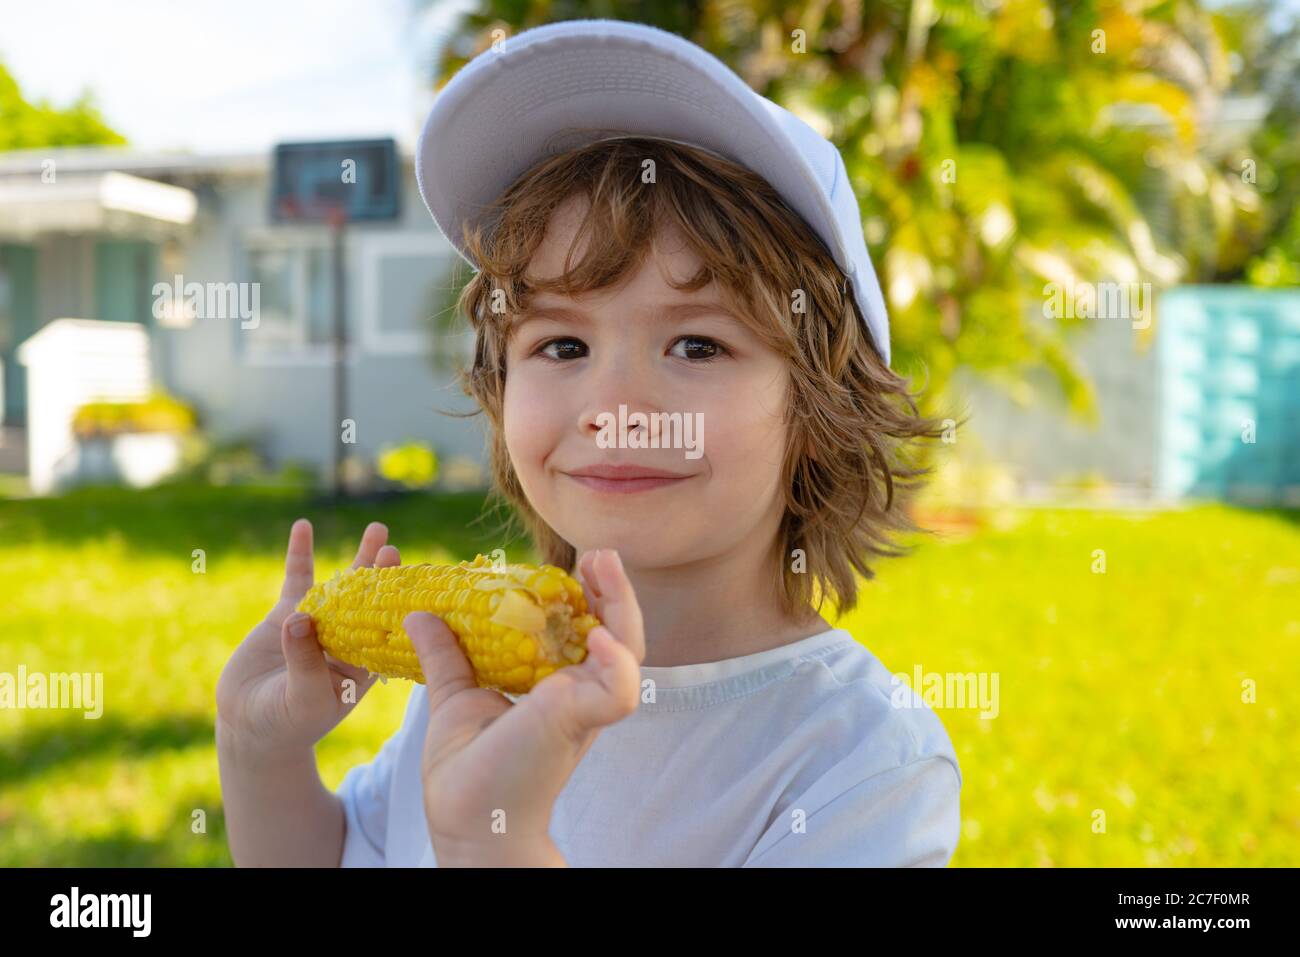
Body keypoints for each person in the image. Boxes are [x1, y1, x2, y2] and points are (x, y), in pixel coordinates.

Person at [216, 18, 961, 867]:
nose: (613, 407)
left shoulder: (861, 764)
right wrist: (258, 750)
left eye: (697, 345)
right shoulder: (469, 680)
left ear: (822, 412)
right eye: (562, 346)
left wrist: (494, 843)